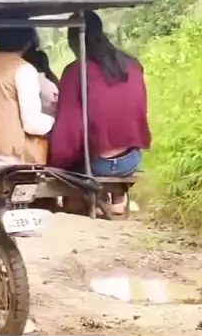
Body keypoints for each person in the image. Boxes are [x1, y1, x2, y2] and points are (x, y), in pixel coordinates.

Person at [49, 11, 151, 215]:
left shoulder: (76, 71)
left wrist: (54, 164)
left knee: (69, 166)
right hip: (131, 160)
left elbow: (69, 130)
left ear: (73, 39)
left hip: (96, 165)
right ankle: (117, 198)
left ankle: (90, 200)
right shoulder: (132, 65)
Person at [0, 27, 54, 167]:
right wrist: (56, 121)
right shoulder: (23, 69)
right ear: (28, 42)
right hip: (11, 159)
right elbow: (33, 124)